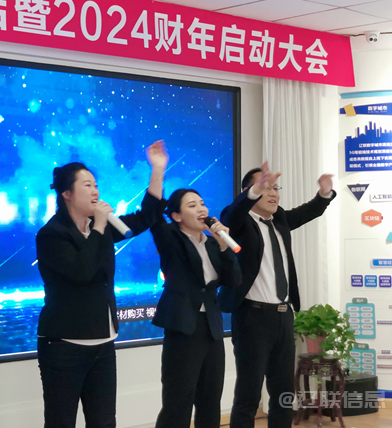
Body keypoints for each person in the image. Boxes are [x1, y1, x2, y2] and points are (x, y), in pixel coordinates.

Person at [35, 141, 168, 428]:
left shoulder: (102, 228)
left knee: (104, 421)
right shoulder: (52, 235)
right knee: (61, 422)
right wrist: (98, 225)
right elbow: (82, 271)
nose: (95, 191)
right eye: (87, 185)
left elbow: (146, 217)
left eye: (96, 185)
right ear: (67, 194)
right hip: (64, 346)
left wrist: (157, 170)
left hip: (104, 343)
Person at [219, 162, 336, 428]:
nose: (273, 193)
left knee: (283, 393)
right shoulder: (239, 222)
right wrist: (252, 193)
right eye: (266, 188)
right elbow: (232, 214)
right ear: (249, 191)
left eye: (275, 188)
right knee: (249, 393)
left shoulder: (279, 219)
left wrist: (324, 194)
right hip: (252, 317)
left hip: (283, 316)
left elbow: (308, 212)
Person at [151, 188, 241, 428]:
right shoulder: (171, 238)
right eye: (192, 205)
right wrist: (157, 176)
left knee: (210, 400)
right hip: (182, 327)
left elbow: (234, 281)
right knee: (178, 402)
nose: (201, 209)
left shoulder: (213, 244)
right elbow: (153, 216)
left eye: (202, 203)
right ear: (177, 216)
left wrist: (224, 246)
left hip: (211, 328)